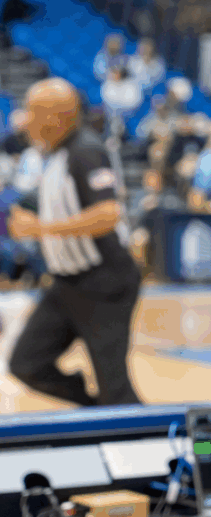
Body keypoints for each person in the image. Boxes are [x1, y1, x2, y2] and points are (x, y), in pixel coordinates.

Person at [6, 79, 141, 406]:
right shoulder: (55, 155)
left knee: (115, 387)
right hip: (66, 285)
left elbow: (108, 214)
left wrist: (40, 228)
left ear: (56, 117)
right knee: (26, 364)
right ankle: (96, 414)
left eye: (32, 112)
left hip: (104, 283)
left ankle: (141, 438)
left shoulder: (87, 151)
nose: (24, 120)